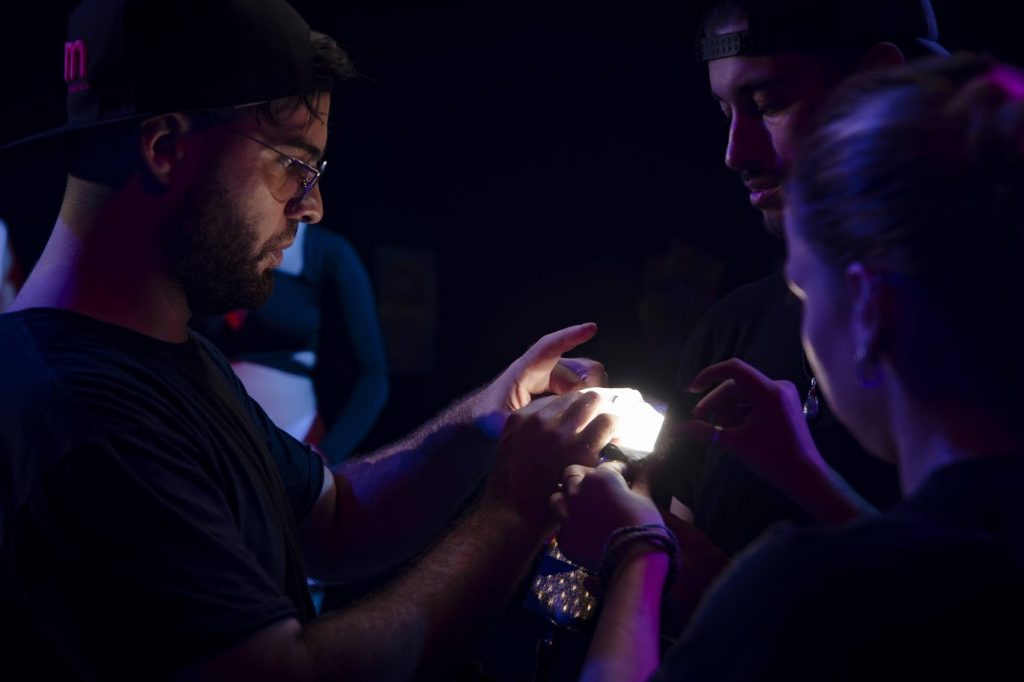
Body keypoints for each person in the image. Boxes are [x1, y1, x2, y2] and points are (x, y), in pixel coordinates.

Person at [0, 0, 615, 678]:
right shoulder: (84, 414)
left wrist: (488, 417)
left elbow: (334, 520)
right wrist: (514, 513)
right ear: (166, 148)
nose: (312, 206)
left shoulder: (166, 356)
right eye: (293, 163)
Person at [558, 52, 1024, 681]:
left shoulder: (795, 587)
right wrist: (805, 475)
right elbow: (938, 582)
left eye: (804, 291)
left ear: (869, 310)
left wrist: (637, 550)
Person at [651, 0, 951, 618]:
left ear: (877, 85)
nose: (735, 152)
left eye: (767, 104)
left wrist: (705, 583)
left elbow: (981, 621)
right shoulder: (733, 329)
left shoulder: (986, 326)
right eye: (725, 113)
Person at [192, 221, 389, 465]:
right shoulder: (218, 241)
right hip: (210, 438)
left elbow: (373, 374)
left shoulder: (325, 252)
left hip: (294, 443)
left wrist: (325, 455)